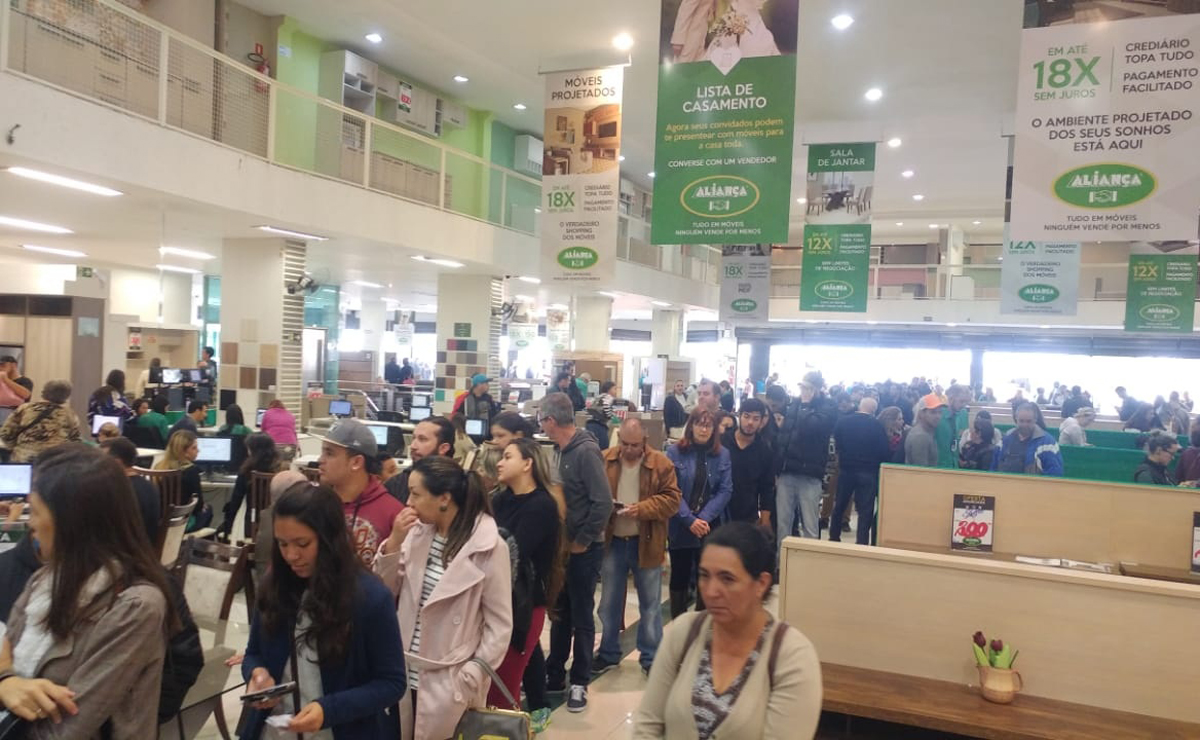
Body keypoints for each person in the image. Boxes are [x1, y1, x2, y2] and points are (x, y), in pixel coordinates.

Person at [0, 445, 177, 737]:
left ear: (71, 523)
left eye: (37, 512)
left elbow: (70, 729)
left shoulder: (134, 607)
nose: (30, 523)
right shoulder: (45, 578)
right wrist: (7, 682)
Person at [241, 482, 406, 739]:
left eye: (302, 543)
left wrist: (328, 709)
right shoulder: (274, 587)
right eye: (282, 544)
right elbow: (253, 653)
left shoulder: (370, 598)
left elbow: (392, 683)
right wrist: (257, 674)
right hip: (274, 731)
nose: (291, 555)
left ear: (330, 540)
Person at [633, 522, 823, 740]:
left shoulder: (791, 656)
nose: (711, 591)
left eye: (727, 579)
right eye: (705, 575)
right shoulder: (685, 631)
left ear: (761, 583)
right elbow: (647, 725)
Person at [374, 456, 512, 740]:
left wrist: (473, 672)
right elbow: (385, 591)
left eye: (416, 494)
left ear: (444, 498)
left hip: (451, 680)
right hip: (403, 669)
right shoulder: (416, 533)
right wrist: (394, 542)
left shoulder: (489, 547)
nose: (408, 502)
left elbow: (499, 625)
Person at [539, 391, 611, 712]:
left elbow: (603, 503)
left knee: (581, 616)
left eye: (542, 421)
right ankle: (554, 673)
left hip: (584, 550)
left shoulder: (586, 452)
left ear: (550, 420)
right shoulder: (559, 451)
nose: (541, 427)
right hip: (563, 550)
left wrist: (582, 540)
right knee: (559, 613)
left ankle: (580, 681)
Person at [594, 418, 682, 678]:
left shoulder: (661, 464)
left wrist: (641, 509)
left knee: (650, 604)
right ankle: (608, 652)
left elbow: (672, 500)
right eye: (625, 444)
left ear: (644, 441)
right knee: (609, 602)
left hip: (647, 541)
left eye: (635, 445)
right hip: (613, 541)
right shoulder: (605, 460)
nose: (629, 449)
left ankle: (651, 657)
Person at [490, 438, 563, 733]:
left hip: (522, 607)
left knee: (503, 689)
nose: (499, 462)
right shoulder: (499, 500)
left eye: (508, 456)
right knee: (489, 687)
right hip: (494, 602)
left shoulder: (541, 506)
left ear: (527, 463)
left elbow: (511, 553)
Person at [667, 407, 733, 618]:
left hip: (708, 525)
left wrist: (702, 519)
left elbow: (725, 490)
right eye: (699, 424)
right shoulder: (674, 452)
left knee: (707, 575)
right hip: (681, 524)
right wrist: (689, 520)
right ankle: (678, 624)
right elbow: (671, 489)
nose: (703, 430)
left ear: (714, 429)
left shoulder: (722, 454)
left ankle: (702, 624)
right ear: (691, 426)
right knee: (680, 575)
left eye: (708, 425)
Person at [318, 419, 403, 566]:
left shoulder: (393, 514)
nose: (320, 460)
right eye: (322, 452)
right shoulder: (316, 504)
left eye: (329, 453)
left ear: (356, 462)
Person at [774, 370, 836, 545]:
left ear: (817, 389)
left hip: (810, 474)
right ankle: (781, 559)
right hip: (787, 471)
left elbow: (812, 427)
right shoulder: (794, 404)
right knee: (783, 523)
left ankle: (811, 560)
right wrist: (777, 468)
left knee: (810, 524)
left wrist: (806, 405)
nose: (804, 391)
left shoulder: (828, 407)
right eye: (802, 387)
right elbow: (784, 438)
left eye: (808, 388)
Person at [831, 398, 891, 545]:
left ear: (859, 406)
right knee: (865, 510)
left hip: (846, 469)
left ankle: (834, 537)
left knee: (840, 505)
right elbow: (884, 451)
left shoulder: (843, 421)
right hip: (868, 472)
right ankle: (861, 542)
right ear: (874, 410)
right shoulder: (877, 425)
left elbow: (836, 443)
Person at [217, 432, 281, 538]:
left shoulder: (246, 471)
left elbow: (236, 501)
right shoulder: (280, 469)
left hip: (249, 524)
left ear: (252, 450)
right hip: (276, 523)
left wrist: (229, 525)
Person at [0, 380, 82, 463]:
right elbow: (75, 441)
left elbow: (6, 434)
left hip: (25, 458)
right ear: (67, 396)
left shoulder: (26, 409)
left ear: (43, 392)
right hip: (55, 460)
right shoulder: (70, 414)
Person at [721, 398, 773, 529]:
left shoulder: (764, 450)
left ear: (762, 422)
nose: (750, 422)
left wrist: (765, 520)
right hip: (719, 512)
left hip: (748, 515)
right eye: (746, 416)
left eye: (756, 419)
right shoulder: (722, 441)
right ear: (739, 416)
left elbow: (766, 487)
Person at [100, 436, 162, 544]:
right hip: (146, 548)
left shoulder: (120, 490)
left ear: (117, 462)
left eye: (102, 460)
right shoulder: (149, 486)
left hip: (127, 550)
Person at [383, 415, 455, 504]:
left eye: (422, 439)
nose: (413, 446)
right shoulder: (396, 485)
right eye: (413, 438)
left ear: (443, 448)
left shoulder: (460, 487)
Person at [155, 429, 212, 532]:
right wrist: (202, 506)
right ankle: (193, 541)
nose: (198, 451)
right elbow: (198, 505)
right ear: (183, 452)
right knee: (208, 510)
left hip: (159, 522)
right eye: (194, 448)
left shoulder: (159, 467)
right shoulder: (191, 471)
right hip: (182, 522)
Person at [994, 402, 1063, 477]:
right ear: (1016, 419)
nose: (1025, 425)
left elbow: (1055, 473)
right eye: (1021, 421)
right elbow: (993, 467)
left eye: (1028, 421)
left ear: (1035, 420)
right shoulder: (1005, 439)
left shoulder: (1048, 443)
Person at [935, 385, 972, 468]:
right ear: (951, 399)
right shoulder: (938, 416)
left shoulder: (961, 414)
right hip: (939, 465)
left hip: (953, 464)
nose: (964, 405)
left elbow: (956, 441)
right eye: (961, 401)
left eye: (966, 402)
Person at [904, 394, 943, 468]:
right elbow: (921, 471)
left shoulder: (926, 432)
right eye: (933, 412)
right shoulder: (921, 436)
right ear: (921, 414)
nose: (938, 416)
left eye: (940, 412)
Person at [0, 355, 33, 424]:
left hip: (18, 417)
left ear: (13, 365)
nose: (0, 368)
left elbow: (26, 394)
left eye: (3, 365)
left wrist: (6, 379)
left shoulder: (25, 381)